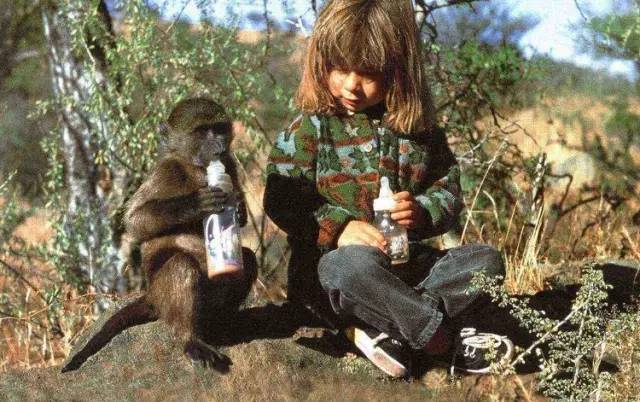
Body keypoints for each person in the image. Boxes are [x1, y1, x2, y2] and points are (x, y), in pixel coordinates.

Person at [263, 0, 513, 378]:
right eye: (339, 68)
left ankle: (391, 328)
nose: (351, 84)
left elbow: (448, 194)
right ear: (320, 62)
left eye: (367, 72)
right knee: (344, 267)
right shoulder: (310, 129)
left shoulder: (420, 133)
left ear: (398, 70)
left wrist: (422, 211)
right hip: (334, 278)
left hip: (402, 268)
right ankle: (441, 340)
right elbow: (280, 198)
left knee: (486, 262)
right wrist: (340, 228)